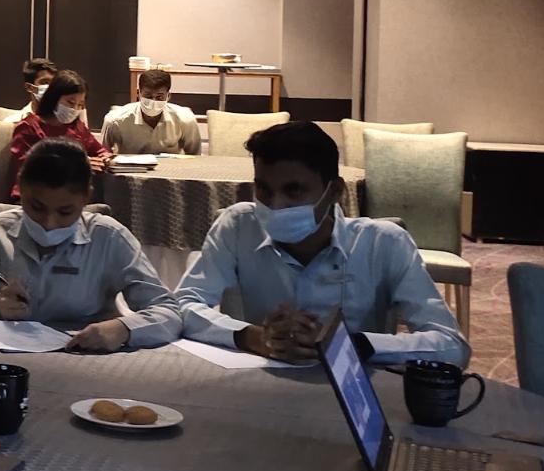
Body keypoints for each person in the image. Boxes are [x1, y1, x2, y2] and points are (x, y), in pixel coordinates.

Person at [173, 121, 469, 366]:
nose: (276, 204)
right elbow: (183, 306)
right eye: (264, 189)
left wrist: (348, 345)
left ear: (334, 192)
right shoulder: (239, 226)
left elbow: (451, 345)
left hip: (354, 392)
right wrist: (254, 337)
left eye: (294, 191)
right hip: (262, 383)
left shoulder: (383, 243)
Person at [0, 139, 181, 352]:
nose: (49, 223)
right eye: (36, 207)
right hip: (9, 358)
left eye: (65, 212)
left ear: (86, 198)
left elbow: (168, 312)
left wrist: (124, 329)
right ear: (21, 189)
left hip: (86, 357)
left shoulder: (108, 238)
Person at [9, 69, 111, 199]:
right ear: (54, 98)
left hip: (69, 198)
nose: (75, 109)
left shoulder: (77, 127)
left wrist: (106, 159)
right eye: (70, 102)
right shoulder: (29, 127)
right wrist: (78, 165)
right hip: (34, 198)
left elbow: (100, 150)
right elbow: (30, 170)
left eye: (80, 105)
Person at [100, 68, 201, 155]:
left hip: (171, 170)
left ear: (168, 96)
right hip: (131, 170)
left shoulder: (185, 119)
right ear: (139, 93)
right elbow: (102, 155)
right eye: (148, 96)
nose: (153, 101)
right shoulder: (115, 120)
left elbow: (195, 157)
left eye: (159, 97)